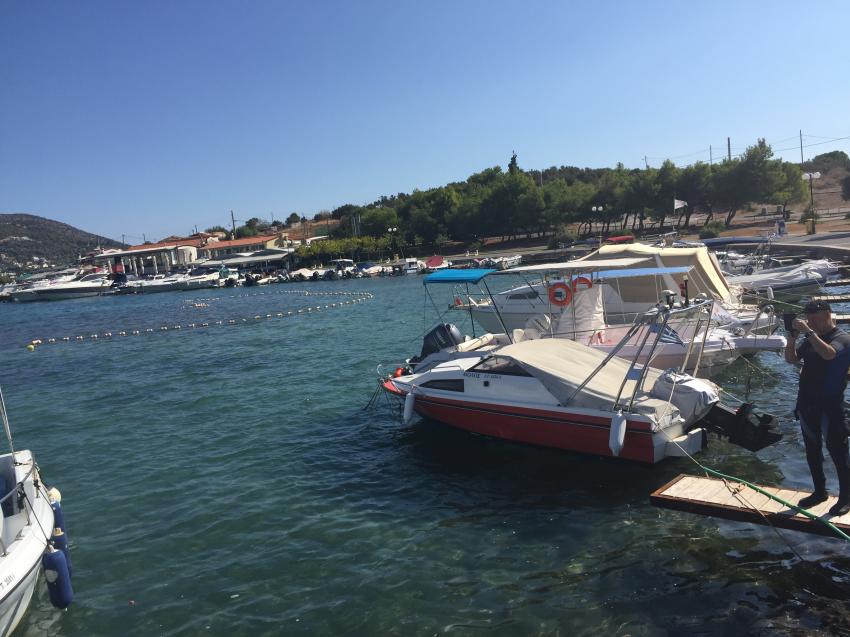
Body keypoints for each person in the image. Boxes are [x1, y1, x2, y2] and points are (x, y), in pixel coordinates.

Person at [784, 300, 850, 515]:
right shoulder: (811, 339)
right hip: (807, 404)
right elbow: (791, 359)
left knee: (838, 453)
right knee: (812, 452)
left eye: (816, 318)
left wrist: (810, 332)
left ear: (828, 315)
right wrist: (792, 338)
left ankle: (846, 498)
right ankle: (819, 492)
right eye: (810, 319)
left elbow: (830, 354)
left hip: (830, 407)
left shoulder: (842, 337)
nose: (812, 322)